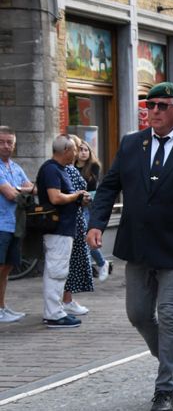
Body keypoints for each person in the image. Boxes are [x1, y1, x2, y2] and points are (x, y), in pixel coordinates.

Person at [87, 82, 173, 411]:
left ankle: (165, 389)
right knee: (137, 313)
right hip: (138, 245)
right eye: (150, 105)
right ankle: (170, 356)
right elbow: (109, 187)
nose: (155, 111)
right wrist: (96, 223)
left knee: (171, 315)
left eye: (162, 105)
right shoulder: (132, 144)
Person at [37, 135, 87, 328]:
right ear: (65, 151)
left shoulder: (60, 169)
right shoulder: (51, 169)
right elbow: (55, 197)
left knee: (58, 270)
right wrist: (77, 195)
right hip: (57, 228)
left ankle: (55, 311)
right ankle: (54, 314)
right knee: (56, 271)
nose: (76, 153)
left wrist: (77, 198)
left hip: (64, 228)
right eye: (74, 149)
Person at [0, 126, 34, 322]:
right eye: (1, 142)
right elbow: (10, 195)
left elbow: (34, 188)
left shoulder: (15, 167)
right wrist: (22, 190)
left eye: (9, 142)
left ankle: (2, 307)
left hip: (15, 225)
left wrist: (19, 189)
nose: (6, 146)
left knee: (6, 268)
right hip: (1, 225)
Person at [60, 134, 94, 317]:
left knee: (73, 260)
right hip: (71, 220)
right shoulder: (64, 169)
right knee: (69, 261)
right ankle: (65, 301)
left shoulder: (70, 168)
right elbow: (70, 194)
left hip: (77, 218)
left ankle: (67, 299)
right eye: (76, 148)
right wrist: (81, 197)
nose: (78, 152)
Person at [75, 139, 110, 281]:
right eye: (81, 150)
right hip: (75, 203)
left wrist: (81, 194)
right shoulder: (72, 167)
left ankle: (101, 263)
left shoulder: (94, 166)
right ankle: (93, 267)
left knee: (86, 237)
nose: (83, 153)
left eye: (86, 150)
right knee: (80, 238)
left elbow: (93, 187)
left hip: (89, 204)